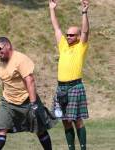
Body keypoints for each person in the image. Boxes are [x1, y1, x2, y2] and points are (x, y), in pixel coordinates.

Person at [0, 37, 55, 150]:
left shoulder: (20, 59)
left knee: (40, 130)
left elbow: (29, 80)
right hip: (8, 102)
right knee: (1, 129)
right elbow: (5, 81)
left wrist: (33, 103)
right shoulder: (1, 62)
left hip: (27, 101)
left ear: (8, 46)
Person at [49, 0, 89, 150]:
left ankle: (83, 148)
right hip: (61, 88)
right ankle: (71, 148)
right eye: (67, 35)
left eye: (72, 35)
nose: (69, 37)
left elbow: (85, 31)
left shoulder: (81, 47)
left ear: (78, 37)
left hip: (75, 87)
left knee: (77, 120)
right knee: (65, 120)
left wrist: (84, 12)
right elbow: (56, 27)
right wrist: (52, 9)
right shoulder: (63, 45)